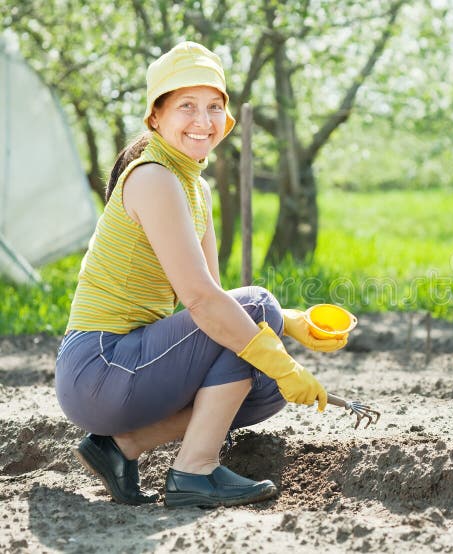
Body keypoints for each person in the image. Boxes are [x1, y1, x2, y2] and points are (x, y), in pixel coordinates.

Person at [55, 42, 346, 508]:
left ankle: (119, 447)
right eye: (186, 106)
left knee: (264, 389)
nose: (202, 120)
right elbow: (205, 301)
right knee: (255, 315)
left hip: (126, 367)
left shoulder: (194, 186)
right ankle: (195, 470)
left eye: (213, 107)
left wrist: (288, 320)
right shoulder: (153, 177)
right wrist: (283, 353)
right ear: (156, 116)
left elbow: (215, 296)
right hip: (100, 365)